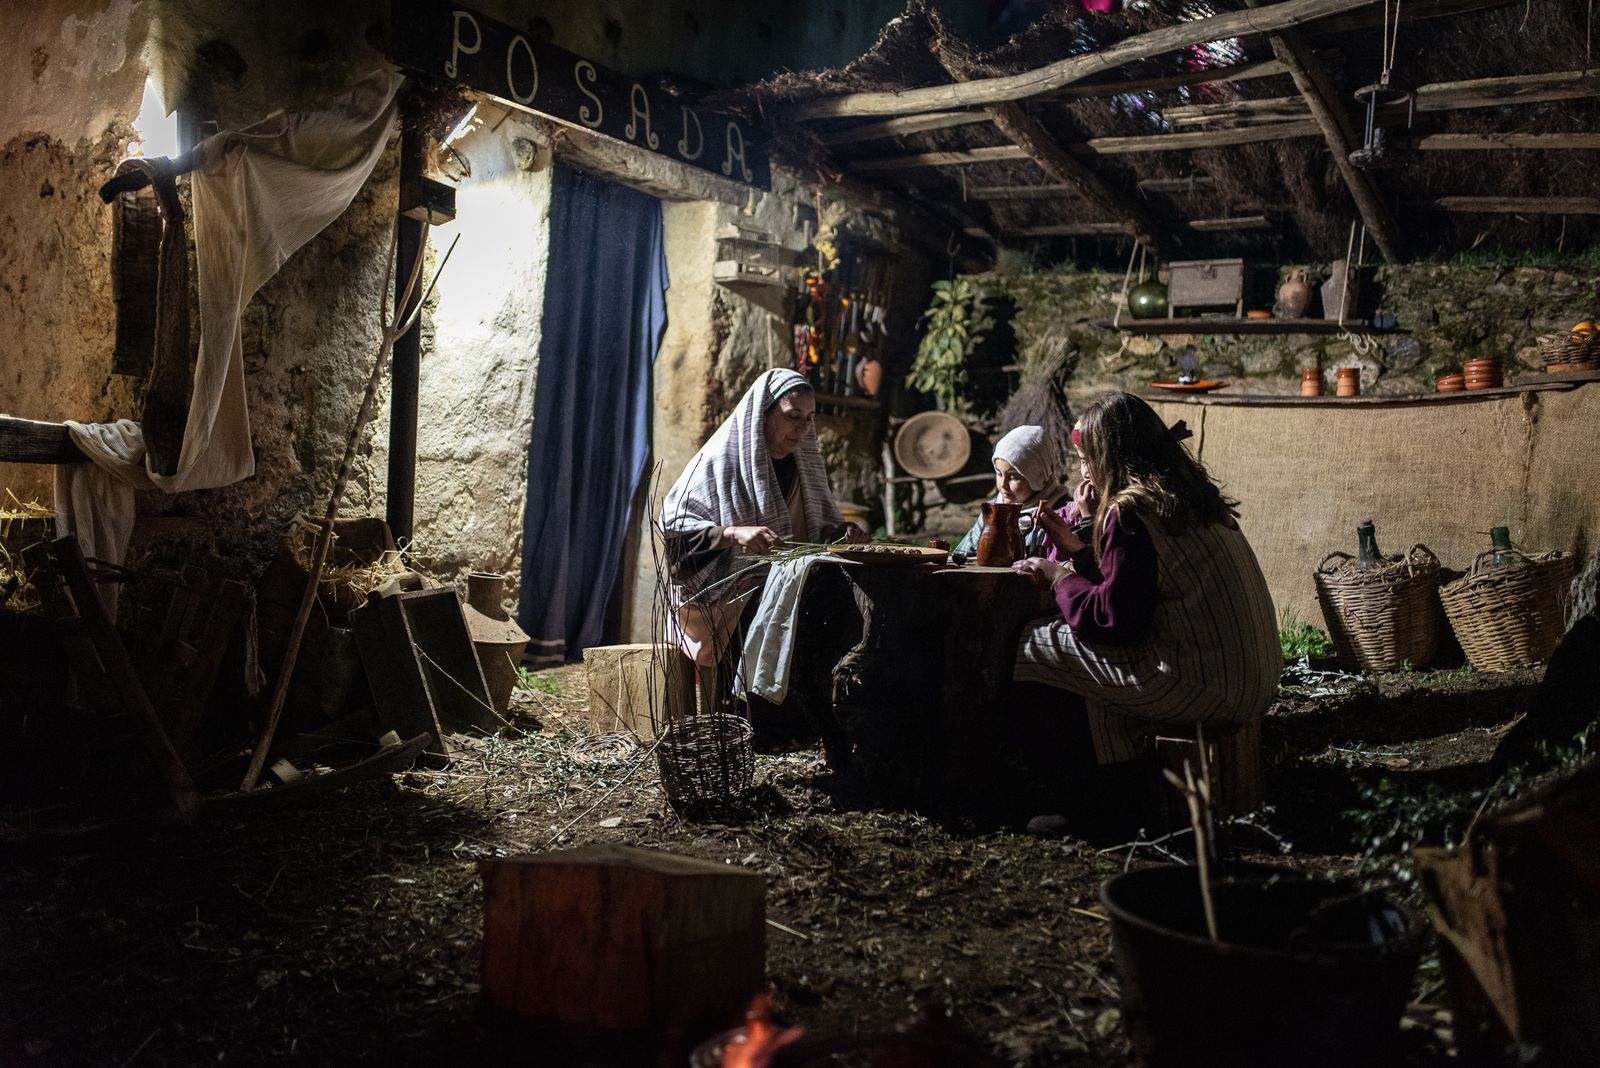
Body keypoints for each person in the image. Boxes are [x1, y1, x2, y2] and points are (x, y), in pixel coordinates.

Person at [1010, 391, 1279, 835]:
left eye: (1087, 457)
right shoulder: (1188, 495)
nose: (1083, 471)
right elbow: (1137, 584)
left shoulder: (1130, 509)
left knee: (1033, 645)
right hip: (1252, 674)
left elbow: (1113, 621)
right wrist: (1077, 547)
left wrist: (1059, 577)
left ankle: (1087, 804)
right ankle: (1118, 796)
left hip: (1207, 682)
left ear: (1111, 455)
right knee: (1085, 663)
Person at [661, 368, 867, 669]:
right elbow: (675, 532)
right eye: (792, 416)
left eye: (809, 419)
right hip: (724, 600)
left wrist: (841, 534)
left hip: (786, 586)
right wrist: (732, 534)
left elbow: (817, 532)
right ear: (764, 414)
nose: (802, 428)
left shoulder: (805, 467)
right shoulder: (719, 464)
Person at [953, 425, 1067, 558]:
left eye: (1014, 477)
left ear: (1038, 476)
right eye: (999, 473)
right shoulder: (992, 511)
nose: (1002, 485)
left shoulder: (1063, 515)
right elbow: (961, 556)